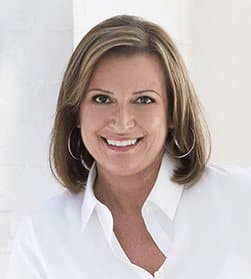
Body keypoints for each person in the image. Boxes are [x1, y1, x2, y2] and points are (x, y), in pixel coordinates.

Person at [6, 15, 251, 279]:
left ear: (172, 112)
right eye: (102, 99)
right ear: (76, 112)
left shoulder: (241, 202)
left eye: (144, 100)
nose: (122, 122)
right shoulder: (42, 238)